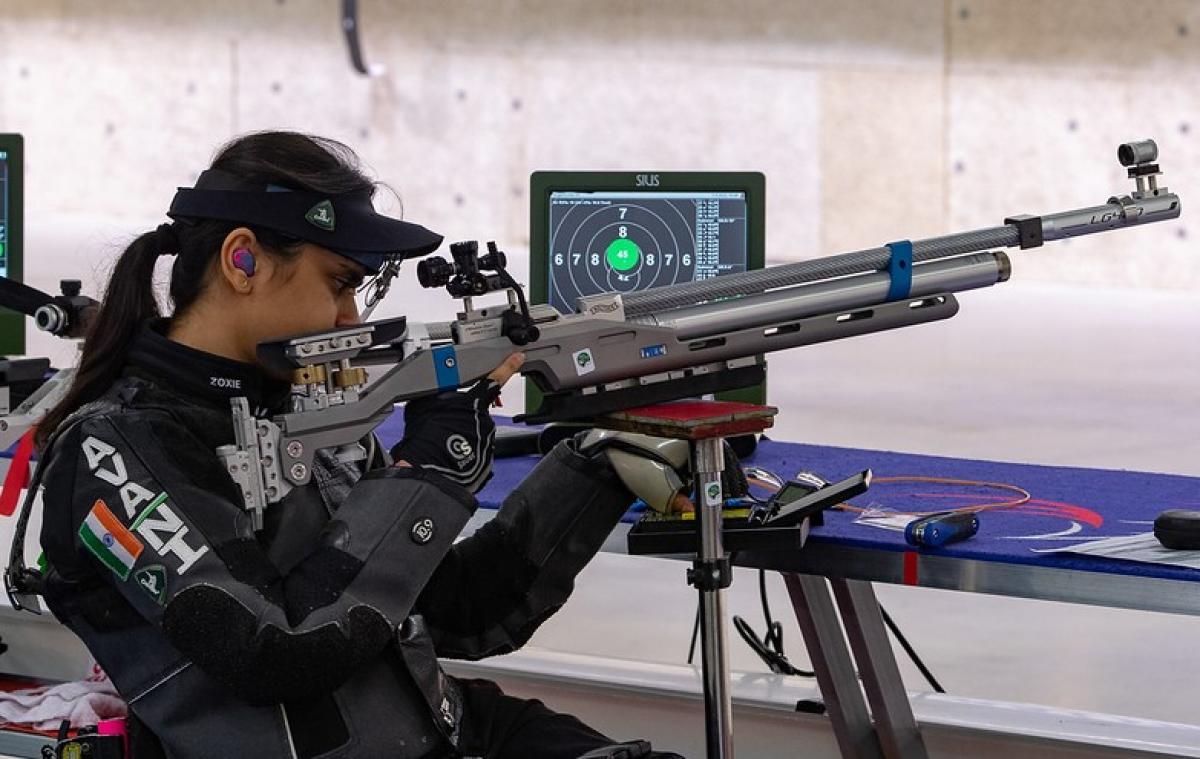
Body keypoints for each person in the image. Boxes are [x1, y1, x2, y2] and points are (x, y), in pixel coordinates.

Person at [32, 131, 690, 758]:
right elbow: (275, 650)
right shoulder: (112, 450)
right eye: (341, 283)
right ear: (243, 259)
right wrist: (428, 472)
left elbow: (462, 610)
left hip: (450, 727)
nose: (353, 319)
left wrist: (595, 464)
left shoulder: (298, 405)